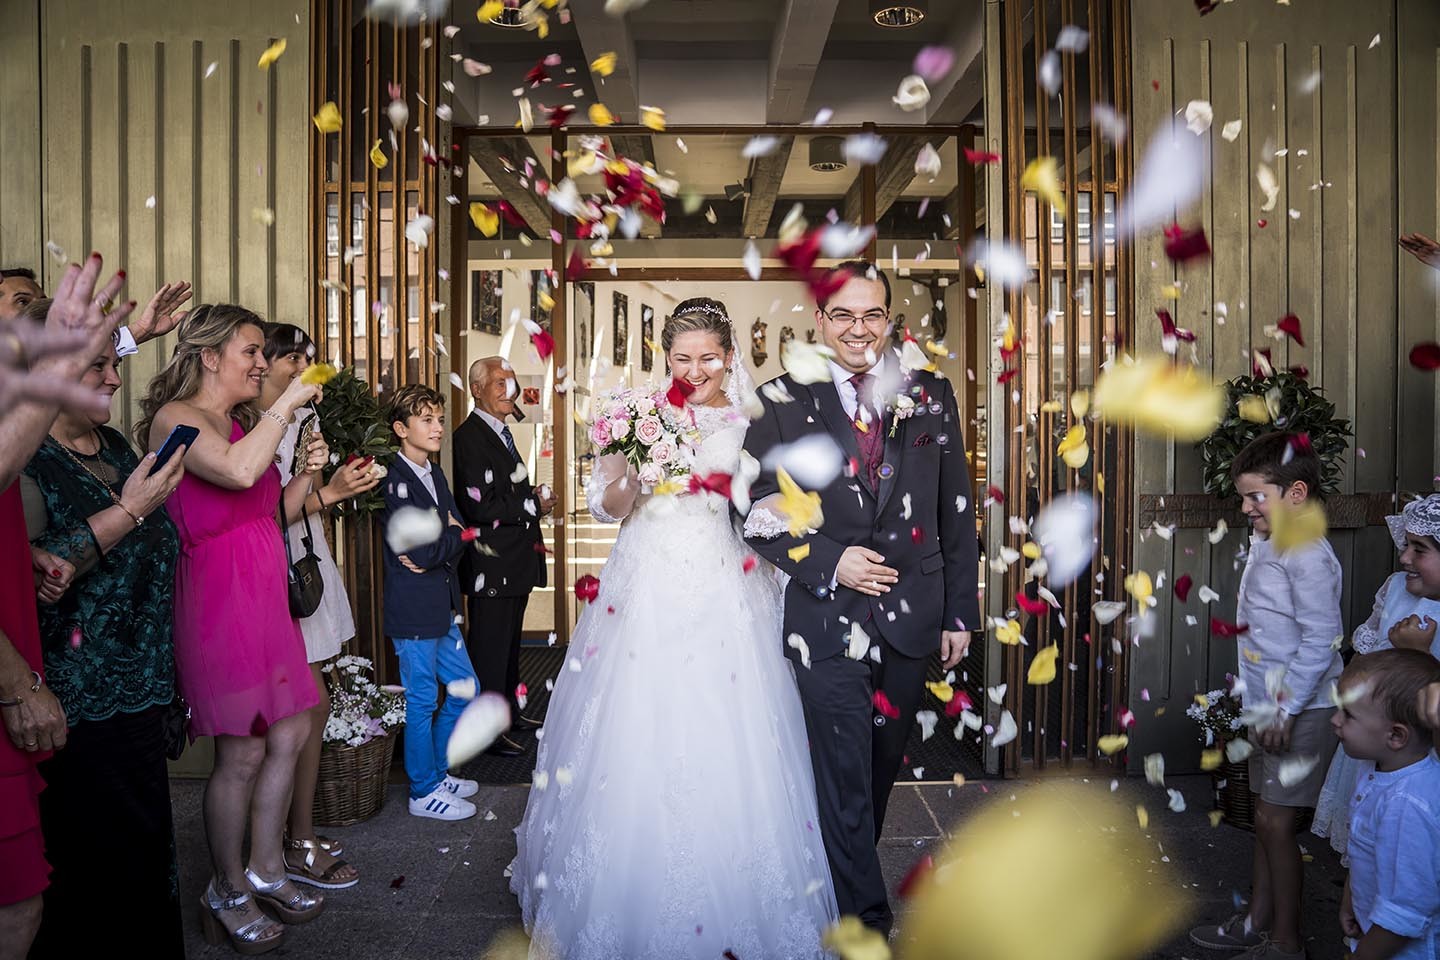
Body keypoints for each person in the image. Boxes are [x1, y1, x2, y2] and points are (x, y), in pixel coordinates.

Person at [510, 297, 838, 959]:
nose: (695, 370)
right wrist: (636, 473)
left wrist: (776, 511)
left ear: (729, 355)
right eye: (683, 358)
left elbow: (766, 504)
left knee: (732, 724)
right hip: (648, 583)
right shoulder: (630, 410)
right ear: (665, 357)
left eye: (708, 358)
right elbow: (606, 506)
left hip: (724, 582)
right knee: (636, 721)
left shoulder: (752, 420)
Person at [740, 261, 980, 936]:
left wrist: (960, 611)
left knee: (875, 776)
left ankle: (837, 887)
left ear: (889, 320)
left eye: (872, 315)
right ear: (820, 320)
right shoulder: (780, 399)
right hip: (824, 618)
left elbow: (956, 508)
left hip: (912, 615)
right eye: (843, 315)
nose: (858, 329)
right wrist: (828, 561)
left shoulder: (930, 392)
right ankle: (866, 924)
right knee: (844, 772)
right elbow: (752, 508)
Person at [136, 304, 331, 953]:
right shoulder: (176, 419)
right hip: (219, 602)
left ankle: (266, 867)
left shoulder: (243, 422)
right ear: (209, 355)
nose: (261, 363)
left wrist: (312, 472)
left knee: (290, 731)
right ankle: (225, 886)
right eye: (251, 351)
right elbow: (240, 471)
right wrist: (288, 405)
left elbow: (267, 507)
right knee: (243, 750)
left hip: (264, 595)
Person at [18, 302, 188, 957]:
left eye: (115, 362)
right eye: (98, 365)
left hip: (143, 691)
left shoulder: (116, 446)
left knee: (147, 859)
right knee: (92, 870)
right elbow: (35, 575)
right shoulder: (27, 463)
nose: (115, 378)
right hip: (77, 705)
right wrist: (131, 510)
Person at [0, 254, 130, 960]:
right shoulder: (32, 435)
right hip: (32, 678)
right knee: (19, 906)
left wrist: (23, 556)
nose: (109, 375)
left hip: (75, 677)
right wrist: (18, 685)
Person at [1189, 431, 1344, 960]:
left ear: (1296, 494)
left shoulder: (1306, 552)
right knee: (1262, 816)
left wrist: (1284, 709)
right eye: (1244, 497)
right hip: (1270, 707)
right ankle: (1257, 920)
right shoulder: (1271, 540)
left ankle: (1286, 943)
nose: (1246, 507)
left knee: (1276, 825)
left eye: (1257, 496)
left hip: (1300, 709)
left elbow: (1322, 639)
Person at [259, 322, 379, 889]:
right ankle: (295, 841)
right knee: (306, 707)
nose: (309, 370)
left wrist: (326, 482)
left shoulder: (305, 418)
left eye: (312, 360)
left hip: (304, 561)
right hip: (271, 570)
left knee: (312, 707)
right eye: (296, 359)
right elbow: (261, 518)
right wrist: (329, 491)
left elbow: (305, 502)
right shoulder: (253, 427)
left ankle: (293, 833)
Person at [1312, 495, 1440, 858]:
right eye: (1406, 545)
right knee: (1364, 848)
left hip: (1421, 762)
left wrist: (1417, 654)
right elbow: (1363, 657)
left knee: (1409, 851)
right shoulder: (1396, 589)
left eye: (1419, 549)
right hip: (1371, 745)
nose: (1405, 558)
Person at [379, 384, 481, 821]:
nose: (438, 427)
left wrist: (450, 537)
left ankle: (436, 773)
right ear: (401, 428)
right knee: (422, 700)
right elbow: (424, 552)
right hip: (414, 609)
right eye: (427, 420)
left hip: (440, 603)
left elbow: (459, 531)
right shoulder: (393, 480)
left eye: (439, 419)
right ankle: (423, 791)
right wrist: (452, 535)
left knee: (465, 687)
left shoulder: (434, 474)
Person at [452, 356, 553, 757]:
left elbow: (502, 494)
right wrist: (533, 505)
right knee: (489, 651)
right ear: (476, 390)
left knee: (509, 648)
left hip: (513, 561)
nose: (509, 391)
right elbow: (480, 506)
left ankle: (509, 713)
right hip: (491, 565)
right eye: (500, 383)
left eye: (511, 383)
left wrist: (531, 497)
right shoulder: (469, 438)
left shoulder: (501, 433)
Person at [1331, 648, 1440, 960]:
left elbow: (1405, 912)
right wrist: (1351, 898)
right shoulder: (1377, 770)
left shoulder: (1407, 805)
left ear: (1395, 736)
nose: (1334, 720)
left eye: (1348, 714)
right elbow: (1368, 851)